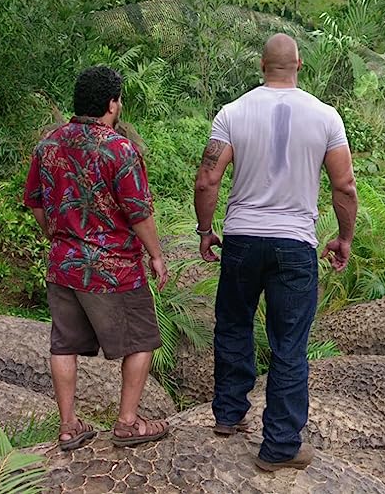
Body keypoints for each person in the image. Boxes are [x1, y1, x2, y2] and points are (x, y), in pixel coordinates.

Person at [194, 33, 358, 471]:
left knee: (233, 325)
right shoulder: (326, 117)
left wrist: (206, 230)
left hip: (243, 239)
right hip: (295, 245)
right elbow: (344, 185)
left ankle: (229, 416)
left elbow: (208, 179)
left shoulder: (233, 112)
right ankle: (280, 446)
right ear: (299, 65)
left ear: (262, 66)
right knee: (289, 345)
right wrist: (344, 237)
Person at [24, 65, 171, 451]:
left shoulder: (49, 144)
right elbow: (138, 211)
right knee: (141, 340)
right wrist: (156, 255)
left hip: (63, 264)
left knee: (64, 344)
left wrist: (56, 236)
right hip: (114, 269)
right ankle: (126, 422)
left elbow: (36, 203)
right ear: (111, 103)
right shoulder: (118, 149)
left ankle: (69, 426)